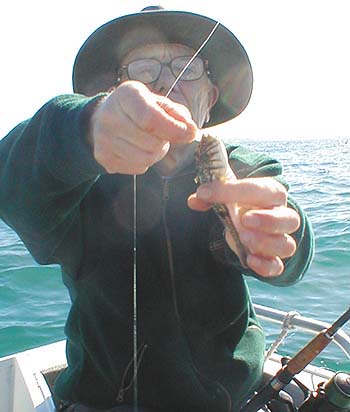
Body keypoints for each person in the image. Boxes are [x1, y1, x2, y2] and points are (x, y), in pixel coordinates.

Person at [0, 6, 314, 412]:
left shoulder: (244, 167)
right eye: (145, 69)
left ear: (211, 97)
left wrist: (278, 238)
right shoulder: (77, 183)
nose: (169, 81)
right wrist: (81, 129)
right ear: (114, 92)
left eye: (188, 66)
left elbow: (291, 244)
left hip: (238, 399)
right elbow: (12, 182)